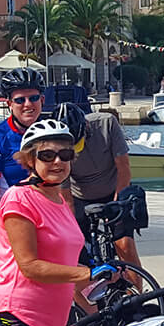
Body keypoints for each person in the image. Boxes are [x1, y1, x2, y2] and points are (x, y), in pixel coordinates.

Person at [0, 116, 106, 326]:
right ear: (29, 160)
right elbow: (30, 266)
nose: (57, 162)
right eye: (47, 155)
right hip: (17, 313)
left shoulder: (60, 201)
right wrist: (87, 273)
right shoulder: (19, 198)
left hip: (51, 320)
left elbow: (67, 269)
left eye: (65, 155)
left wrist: (97, 305)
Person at [0, 67, 46, 298]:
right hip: (9, 222)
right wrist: (0, 238)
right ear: (8, 103)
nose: (28, 104)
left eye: (33, 98)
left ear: (42, 100)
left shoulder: (51, 132)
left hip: (45, 220)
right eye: (20, 99)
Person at [59, 101, 141, 273]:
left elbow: (124, 169)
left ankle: (136, 296)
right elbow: (66, 196)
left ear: (86, 125)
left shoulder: (107, 123)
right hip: (80, 195)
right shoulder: (59, 145)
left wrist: (117, 205)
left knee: (124, 245)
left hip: (114, 188)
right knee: (77, 248)